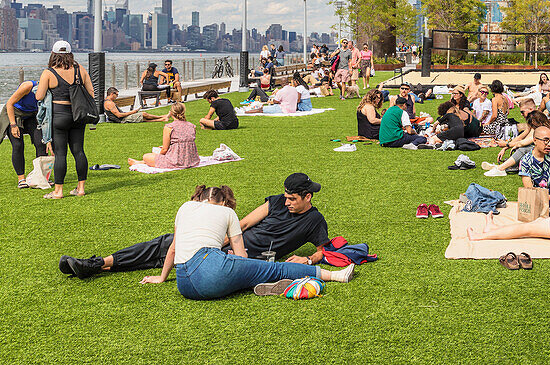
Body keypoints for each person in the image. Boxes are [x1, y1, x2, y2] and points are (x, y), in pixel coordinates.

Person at [60, 174, 335, 280]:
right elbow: (245, 222)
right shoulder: (275, 201)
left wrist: (309, 258)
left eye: (292, 199)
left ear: (307, 197)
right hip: (229, 242)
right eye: (285, 197)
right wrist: (224, 237)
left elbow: (326, 249)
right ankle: (98, 264)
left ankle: (98, 265)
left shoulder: (314, 220)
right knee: (162, 245)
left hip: (242, 258)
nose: (286, 202)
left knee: (164, 250)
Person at [138, 184, 354, 299]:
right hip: (211, 271)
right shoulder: (228, 214)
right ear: (223, 202)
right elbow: (241, 256)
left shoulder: (185, 207)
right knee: (274, 269)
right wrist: (243, 263)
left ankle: (262, 284)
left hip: (185, 285)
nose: (286, 201)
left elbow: (174, 248)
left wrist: (161, 277)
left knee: (249, 272)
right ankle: (335, 276)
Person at [35, 41, 93, 200]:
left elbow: (39, 96)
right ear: (70, 54)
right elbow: (91, 92)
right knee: (79, 151)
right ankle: (80, 188)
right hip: (78, 115)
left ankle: (58, 191)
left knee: (60, 154)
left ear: (53, 54)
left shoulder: (48, 73)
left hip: (59, 116)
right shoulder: (79, 69)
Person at [0, 78, 48, 188]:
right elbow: (10, 104)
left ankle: (41, 176)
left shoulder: (49, 90)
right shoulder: (27, 86)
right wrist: (13, 125)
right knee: (18, 145)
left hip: (31, 115)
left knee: (41, 142)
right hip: (13, 113)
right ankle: (21, 179)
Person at [128, 102, 199, 170]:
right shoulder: (192, 126)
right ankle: (140, 162)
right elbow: (185, 141)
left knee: (146, 156)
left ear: (171, 113)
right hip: (191, 160)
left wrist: (159, 155)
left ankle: (140, 162)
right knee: (155, 154)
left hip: (176, 161)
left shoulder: (169, 127)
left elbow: (165, 149)